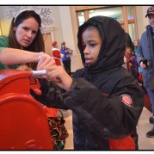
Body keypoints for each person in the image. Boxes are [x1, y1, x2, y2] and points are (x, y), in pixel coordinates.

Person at [38, 16, 144, 150]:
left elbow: (118, 123)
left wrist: (74, 88)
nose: (85, 51)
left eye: (92, 44)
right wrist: (37, 83)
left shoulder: (126, 82)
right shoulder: (81, 75)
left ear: (109, 46)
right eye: (84, 45)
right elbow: (59, 98)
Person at [136, 6, 154, 138]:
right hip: (149, 74)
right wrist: (141, 60)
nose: (152, 19)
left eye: (153, 16)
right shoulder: (144, 35)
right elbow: (139, 52)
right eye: (150, 17)